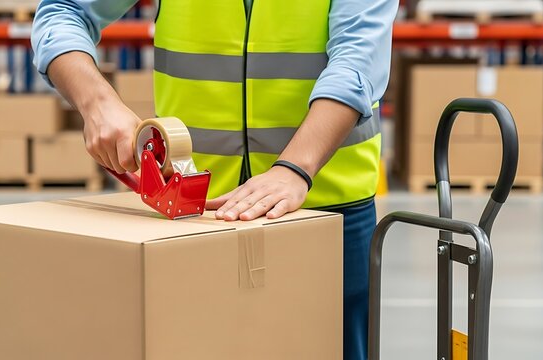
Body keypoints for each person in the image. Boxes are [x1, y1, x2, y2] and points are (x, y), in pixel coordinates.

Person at [32, 1, 397, 358]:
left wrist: (295, 167)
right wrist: (98, 103)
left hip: (328, 215)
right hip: (197, 215)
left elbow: (357, 60)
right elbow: (63, 12)